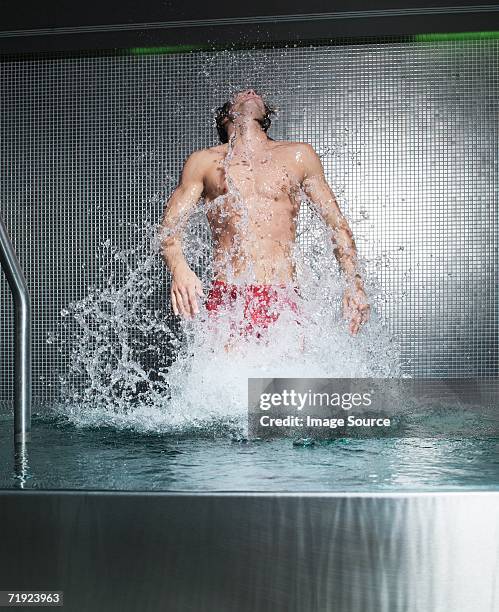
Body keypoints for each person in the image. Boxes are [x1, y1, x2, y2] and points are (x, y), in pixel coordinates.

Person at [160, 89, 370, 340]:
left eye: (255, 93)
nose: (251, 92)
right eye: (240, 94)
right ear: (225, 116)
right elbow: (168, 229)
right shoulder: (204, 162)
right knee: (231, 380)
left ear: (267, 115)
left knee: (281, 381)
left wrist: (354, 283)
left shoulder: (299, 155)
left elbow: (337, 226)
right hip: (228, 297)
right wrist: (179, 269)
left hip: (282, 297)